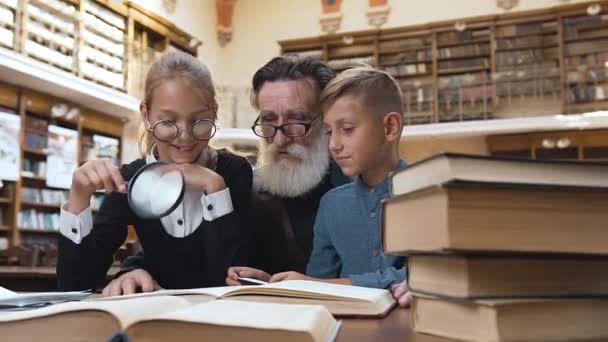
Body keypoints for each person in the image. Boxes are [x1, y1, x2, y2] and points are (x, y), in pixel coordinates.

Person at [57, 51, 252, 293]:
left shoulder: (234, 172)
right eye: (168, 122)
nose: (185, 136)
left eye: (199, 120)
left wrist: (215, 190)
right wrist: (78, 198)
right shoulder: (130, 179)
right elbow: (75, 285)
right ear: (146, 115)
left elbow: (235, 276)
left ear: (213, 111)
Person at [265, 65, 409, 291]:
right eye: (329, 131)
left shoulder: (430, 196)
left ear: (390, 127)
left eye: (348, 129)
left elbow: (435, 275)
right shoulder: (332, 204)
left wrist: (344, 284)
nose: (333, 145)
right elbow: (317, 282)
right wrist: (270, 283)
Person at [225, 56, 350, 285]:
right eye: (269, 120)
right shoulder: (249, 192)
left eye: (297, 120)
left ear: (327, 123)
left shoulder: (358, 190)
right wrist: (268, 281)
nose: (280, 139)